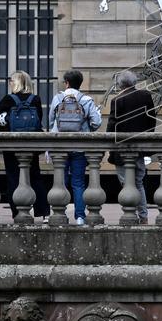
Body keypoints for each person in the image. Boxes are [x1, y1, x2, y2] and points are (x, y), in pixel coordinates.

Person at [0, 71, 48, 221]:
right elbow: (38, 120)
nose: (9, 83)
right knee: (35, 177)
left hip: (12, 145)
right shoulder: (35, 99)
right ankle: (43, 212)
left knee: (13, 178)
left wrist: (6, 129)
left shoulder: (9, 99)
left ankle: (17, 213)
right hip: (31, 144)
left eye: (11, 81)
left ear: (16, 83)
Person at [49, 69, 102, 226]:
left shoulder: (58, 98)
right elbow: (96, 123)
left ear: (66, 82)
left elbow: (51, 122)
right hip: (79, 146)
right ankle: (80, 217)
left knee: (61, 181)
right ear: (80, 83)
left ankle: (59, 213)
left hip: (59, 147)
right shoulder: (86, 100)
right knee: (78, 183)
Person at [107, 70, 157, 224]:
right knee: (139, 183)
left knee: (126, 183)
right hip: (140, 148)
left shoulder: (117, 100)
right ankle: (143, 217)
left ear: (120, 84)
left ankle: (131, 215)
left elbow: (112, 127)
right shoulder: (145, 96)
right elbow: (152, 121)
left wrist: (111, 147)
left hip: (122, 149)